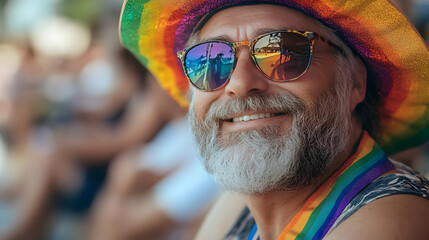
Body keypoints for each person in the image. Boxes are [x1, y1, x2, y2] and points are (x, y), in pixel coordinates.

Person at [119, 1, 429, 239]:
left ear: (356, 83)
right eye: (211, 59)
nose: (238, 83)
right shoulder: (244, 202)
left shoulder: (394, 217)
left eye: (283, 51)